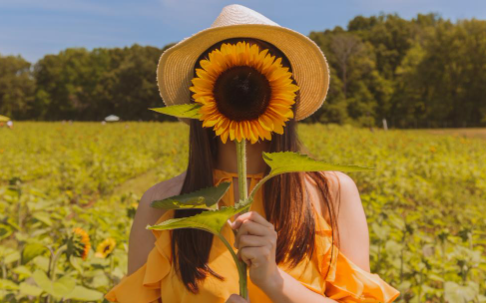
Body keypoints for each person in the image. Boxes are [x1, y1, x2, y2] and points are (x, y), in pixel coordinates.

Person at [105, 4, 400, 303]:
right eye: (233, 77)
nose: (243, 87)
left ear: (284, 94)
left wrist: (273, 280)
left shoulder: (330, 194)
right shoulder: (162, 206)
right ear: (201, 98)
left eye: (255, 76)